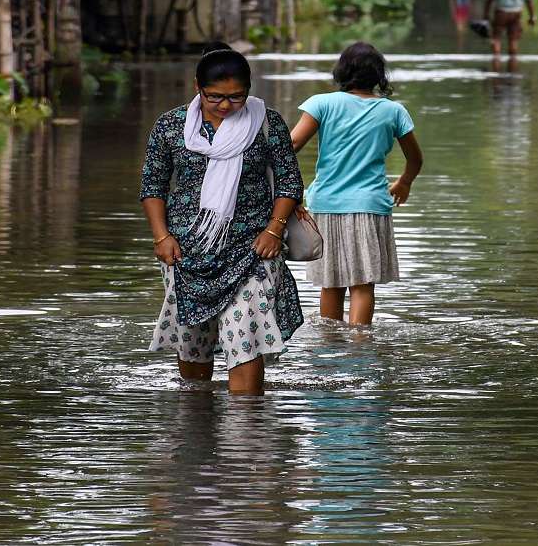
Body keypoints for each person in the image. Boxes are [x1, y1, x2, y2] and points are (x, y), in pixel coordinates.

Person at [140, 42, 305, 395]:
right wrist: (161, 237)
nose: (227, 105)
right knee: (193, 340)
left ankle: (247, 434)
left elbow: (290, 182)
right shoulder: (171, 126)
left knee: (245, 335)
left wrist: (274, 230)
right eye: (216, 97)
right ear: (197, 87)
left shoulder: (267, 124)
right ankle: (196, 423)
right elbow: (152, 185)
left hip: (253, 249)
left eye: (237, 96)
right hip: (186, 251)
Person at [290, 42, 423, 327]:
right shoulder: (394, 111)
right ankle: (361, 343)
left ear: (341, 73)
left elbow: (292, 145)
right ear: (379, 76)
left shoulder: (321, 104)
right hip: (371, 205)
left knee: (331, 282)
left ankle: (330, 344)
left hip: (326, 204)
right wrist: (404, 182)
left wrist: (287, 191)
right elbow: (415, 159)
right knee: (363, 284)